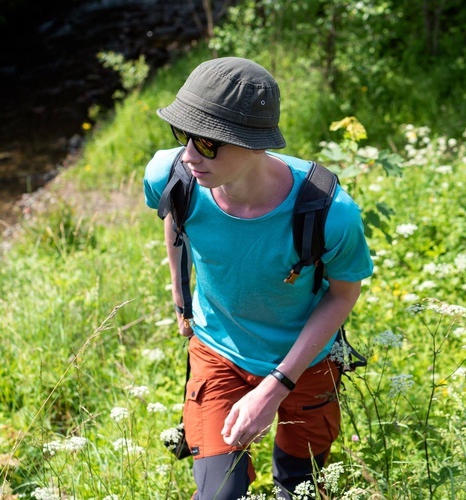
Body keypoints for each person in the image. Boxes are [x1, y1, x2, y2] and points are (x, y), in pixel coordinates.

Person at [143, 56, 373, 499]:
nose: (189, 155)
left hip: (306, 363)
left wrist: (276, 388)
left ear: (254, 144)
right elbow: (174, 215)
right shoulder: (171, 176)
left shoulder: (329, 212)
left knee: (298, 488)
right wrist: (181, 300)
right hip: (218, 354)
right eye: (183, 136)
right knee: (217, 495)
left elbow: (343, 295)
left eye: (207, 143)